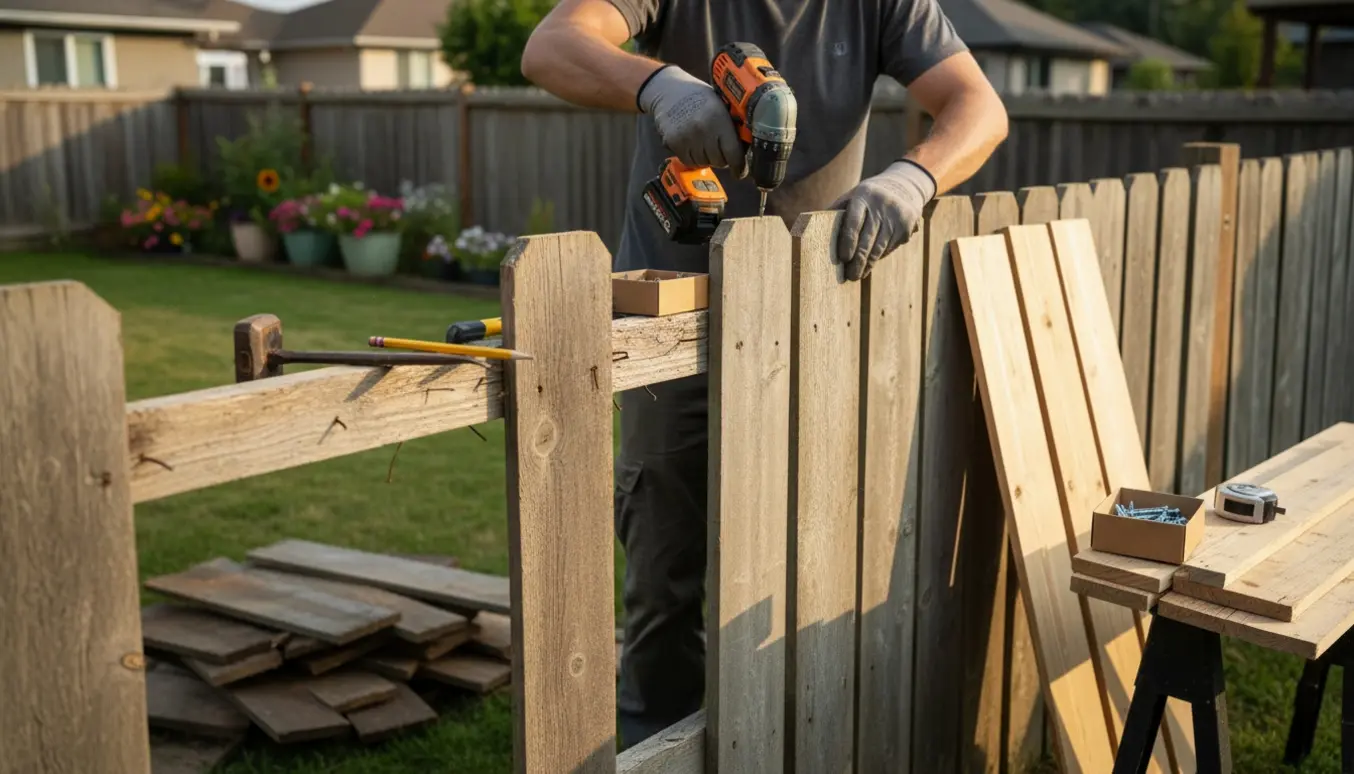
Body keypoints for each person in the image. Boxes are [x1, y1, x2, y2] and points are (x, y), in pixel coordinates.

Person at [521, 0, 1008, 750]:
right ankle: (655, 739)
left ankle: (786, 738)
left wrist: (914, 177)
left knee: (799, 563)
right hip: (670, 322)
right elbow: (552, 46)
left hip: (807, 323)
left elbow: (979, 106)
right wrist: (660, 87)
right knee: (663, 563)